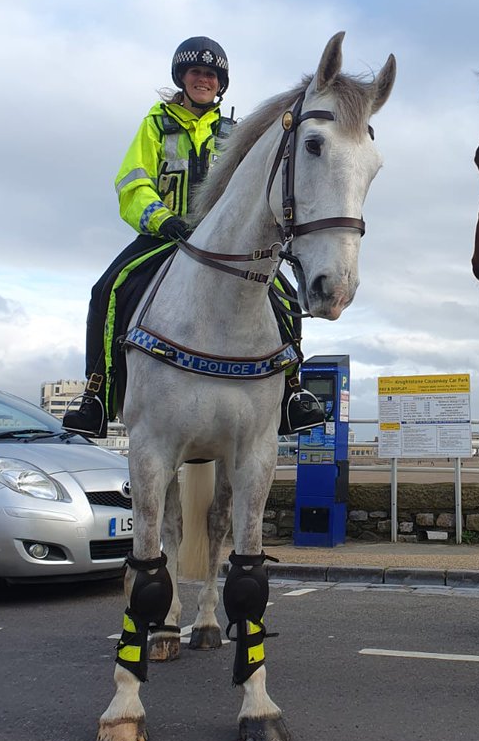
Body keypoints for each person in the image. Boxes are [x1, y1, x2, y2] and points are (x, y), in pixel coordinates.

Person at [63, 36, 324, 439]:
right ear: (182, 78)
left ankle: (292, 390)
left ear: (221, 84)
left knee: (285, 295)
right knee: (107, 289)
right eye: (196, 73)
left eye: (211, 75)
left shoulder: (235, 131)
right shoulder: (155, 125)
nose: (204, 80)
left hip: (224, 243)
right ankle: (95, 393)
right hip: (166, 234)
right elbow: (133, 183)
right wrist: (162, 219)